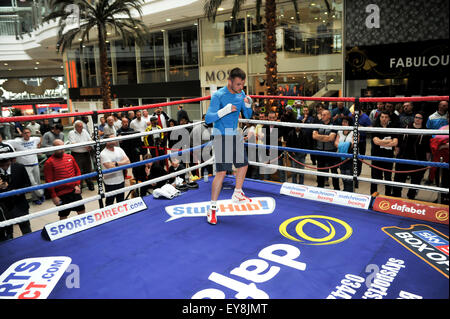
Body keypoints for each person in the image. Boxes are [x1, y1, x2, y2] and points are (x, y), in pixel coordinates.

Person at [204, 67, 253, 225]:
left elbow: (248, 116)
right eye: (238, 84)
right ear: (230, 82)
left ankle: (237, 193)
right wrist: (223, 111)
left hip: (235, 134)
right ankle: (212, 209)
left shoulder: (241, 94)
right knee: (222, 172)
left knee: (244, 164)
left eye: (242, 85)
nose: (240, 88)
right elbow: (208, 119)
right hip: (221, 135)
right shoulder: (218, 96)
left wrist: (247, 106)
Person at [392, 112, 431, 200]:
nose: (417, 119)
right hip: (403, 157)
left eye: (420, 118)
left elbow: (428, 149)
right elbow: (398, 144)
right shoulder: (405, 128)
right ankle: (396, 196)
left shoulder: (426, 131)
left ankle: (411, 197)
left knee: (416, 180)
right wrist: (397, 156)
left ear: (422, 120)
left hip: (418, 159)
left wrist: (426, 162)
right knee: (399, 178)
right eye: (416, 117)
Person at [44, 139, 86, 220]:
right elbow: (49, 181)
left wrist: (77, 185)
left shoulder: (70, 157)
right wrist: (54, 196)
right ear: (54, 148)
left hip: (74, 190)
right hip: (61, 193)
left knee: (82, 211)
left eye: (63, 147)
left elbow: (77, 171)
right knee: (63, 216)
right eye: (59, 148)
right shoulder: (49, 162)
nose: (62, 150)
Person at [0, 148, 32, 241]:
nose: (4, 167)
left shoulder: (19, 167)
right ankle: (10, 252)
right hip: (3, 206)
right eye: (1, 165)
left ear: (10, 161)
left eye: (6, 164)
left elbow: (28, 184)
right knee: (7, 231)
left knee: (26, 228)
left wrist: (19, 191)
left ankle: (31, 246)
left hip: (20, 203)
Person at [8, 128, 45, 205]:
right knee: (32, 182)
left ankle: (36, 198)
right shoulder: (17, 141)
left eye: (28, 133)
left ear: (30, 133)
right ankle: (40, 194)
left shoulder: (35, 139)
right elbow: (6, 143)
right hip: (25, 166)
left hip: (35, 163)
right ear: (22, 134)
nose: (26, 134)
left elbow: (40, 138)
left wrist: (38, 148)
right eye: (25, 133)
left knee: (37, 181)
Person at [370, 111, 398, 196]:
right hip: (376, 157)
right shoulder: (376, 127)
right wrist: (389, 141)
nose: (384, 119)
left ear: (389, 119)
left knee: (388, 179)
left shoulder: (392, 128)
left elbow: (395, 143)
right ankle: (372, 197)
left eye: (386, 117)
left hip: (388, 157)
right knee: (374, 179)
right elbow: (376, 142)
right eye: (382, 117)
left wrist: (382, 142)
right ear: (379, 118)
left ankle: (388, 196)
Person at [312, 109, 340, 190]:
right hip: (320, 150)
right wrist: (325, 137)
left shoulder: (334, 124)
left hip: (331, 151)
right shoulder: (318, 124)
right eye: (322, 114)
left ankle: (336, 188)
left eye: (324, 115)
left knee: (334, 171)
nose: (322, 116)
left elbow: (331, 138)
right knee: (320, 170)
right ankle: (320, 187)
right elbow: (314, 136)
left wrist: (319, 137)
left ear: (329, 116)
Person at [100, 134, 130, 206]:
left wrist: (116, 163)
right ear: (107, 142)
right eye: (113, 139)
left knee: (121, 201)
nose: (116, 140)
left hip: (121, 180)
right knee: (110, 203)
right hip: (110, 183)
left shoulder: (119, 149)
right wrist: (121, 162)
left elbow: (128, 161)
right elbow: (110, 167)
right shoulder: (103, 153)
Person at [68, 120, 95, 191]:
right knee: (78, 170)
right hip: (76, 154)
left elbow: (90, 140)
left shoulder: (85, 131)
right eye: (80, 126)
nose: (81, 128)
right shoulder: (71, 133)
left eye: (82, 126)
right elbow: (73, 144)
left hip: (86, 153)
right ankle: (79, 186)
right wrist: (85, 145)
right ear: (75, 127)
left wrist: (90, 146)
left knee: (88, 169)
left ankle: (90, 184)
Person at [334, 116, 354, 192]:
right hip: (341, 156)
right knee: (343, 174)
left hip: (350, 157)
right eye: (342, 122)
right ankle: (345, 191)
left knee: (349, 176)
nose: (343, 123)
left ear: (349, 123)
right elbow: (336, 143)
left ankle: (350, 193)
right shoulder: (339, 131)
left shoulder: (354, 132)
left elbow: (353, 143)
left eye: (345, 122)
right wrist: (345, 145)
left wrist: (342, 145)